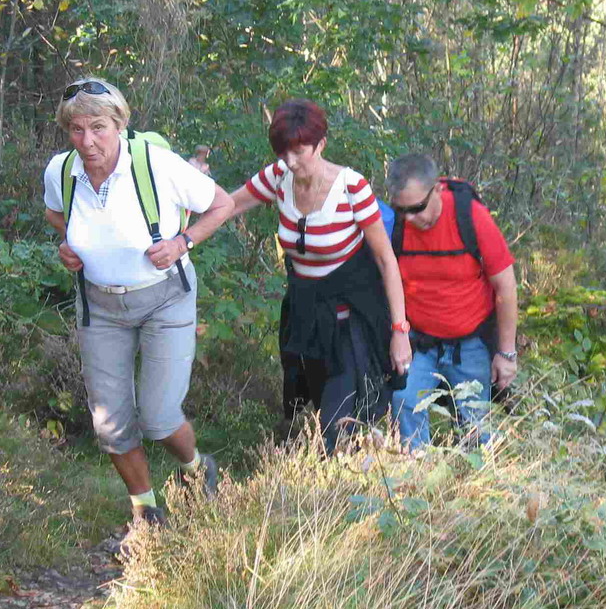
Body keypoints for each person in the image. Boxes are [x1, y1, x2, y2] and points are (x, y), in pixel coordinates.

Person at [43, 77, 234, 527]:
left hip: (165, 300)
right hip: (99, 307)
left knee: (160, 416)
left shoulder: (155, 164)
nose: (87, 142)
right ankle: (146, 513)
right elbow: (56, 211)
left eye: (98, 128)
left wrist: (182, 242)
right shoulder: (60, 171)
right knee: (110, 424)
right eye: (76, 130)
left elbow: (222, 205)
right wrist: (69, 246)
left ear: (119, 125)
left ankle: (195, 469)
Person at [227, 99, 412, 453]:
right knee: (320, 408)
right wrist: (184, 218)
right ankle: (346, 485)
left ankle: (349, 495)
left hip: (352, 323)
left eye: (299, 151)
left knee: (339, 421)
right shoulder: (278, 177)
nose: (290, 161)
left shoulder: (351, 187)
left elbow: (387, 262)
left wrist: (400, 331)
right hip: (308, 320)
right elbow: (228, 205)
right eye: (283, 152)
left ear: (321, 144)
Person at [385, 153, 519, 450]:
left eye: (417, 208)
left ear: (438, 190)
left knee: (474, 426)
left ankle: (474, 488)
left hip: (470, 344)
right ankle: (414, 479)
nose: (410, 218)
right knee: (404, 401)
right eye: (401, 209)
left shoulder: (471, 217)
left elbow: (506, 288)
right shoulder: (395, 225)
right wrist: (398, 332)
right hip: (419, 342)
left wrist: (506, 354)